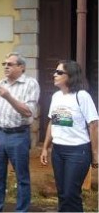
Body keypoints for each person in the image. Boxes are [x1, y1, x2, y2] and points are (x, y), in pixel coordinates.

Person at [0, 52, 40, 212]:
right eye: (4, 64)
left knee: (22, 178)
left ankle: (21, 210)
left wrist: (9, 97)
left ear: (21, 67)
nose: (5, 67)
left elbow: (28, 112)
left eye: (9, 64)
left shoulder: (30, 84)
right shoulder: (0, 84)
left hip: (18, 135)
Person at [40, 60, 98, 212]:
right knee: (62, 194)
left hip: (78, 152)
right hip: (58, 151)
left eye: (59, 72)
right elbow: (52, 122)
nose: (54, 75)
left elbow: (94, 124)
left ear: (70, 76)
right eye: (55, 71)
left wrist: (95, 154)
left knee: (71, 194)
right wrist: (45, 148)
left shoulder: (82, 96)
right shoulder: (56, 97)